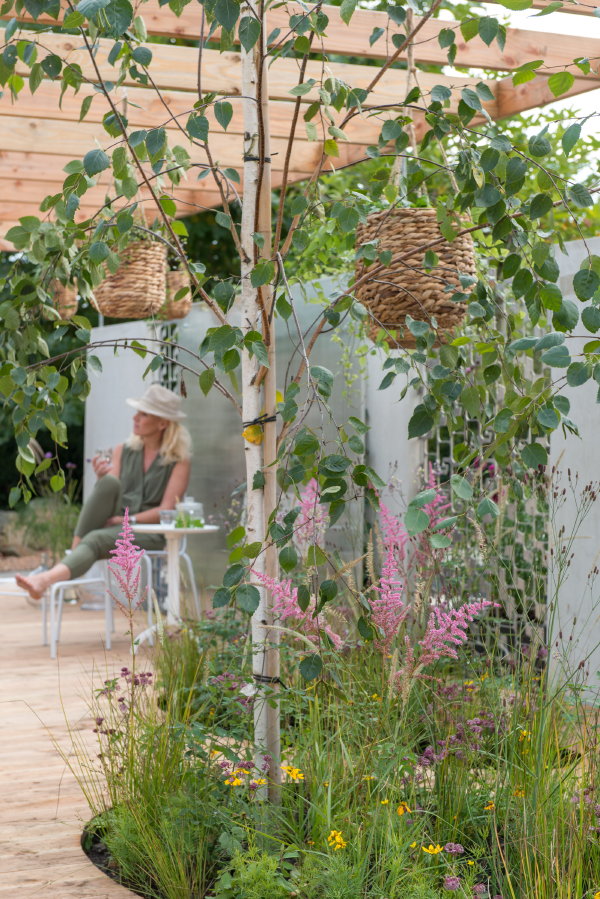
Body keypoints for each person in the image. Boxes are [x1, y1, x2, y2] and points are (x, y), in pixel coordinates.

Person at [16, 383, 192, 601]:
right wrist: (101, 478)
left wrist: (128, 520)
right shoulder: (122, 450)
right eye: (137, 412)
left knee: (95, 538)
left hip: (152, 533)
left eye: (144, 414)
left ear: (163, 423)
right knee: (109, 483)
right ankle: (72, 557)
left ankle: (51, 575)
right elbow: (111, 492)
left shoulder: (179, 461)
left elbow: (166, 509)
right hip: (117, 524)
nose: (135, 417)